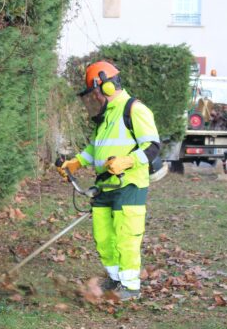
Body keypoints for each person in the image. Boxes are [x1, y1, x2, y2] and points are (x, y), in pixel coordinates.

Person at [59, 61, 160, 301]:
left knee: (126, 236)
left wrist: (127, 161)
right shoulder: (105, 117)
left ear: (106, 86)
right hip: (105, 185)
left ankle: (131, 286)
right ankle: (115, 278)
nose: (93, 98)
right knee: (103, 236)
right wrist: (76, 162)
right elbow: (95, 149)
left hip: (129, 185)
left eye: (95, 92)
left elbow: (153, 147)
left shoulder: (134, 110)